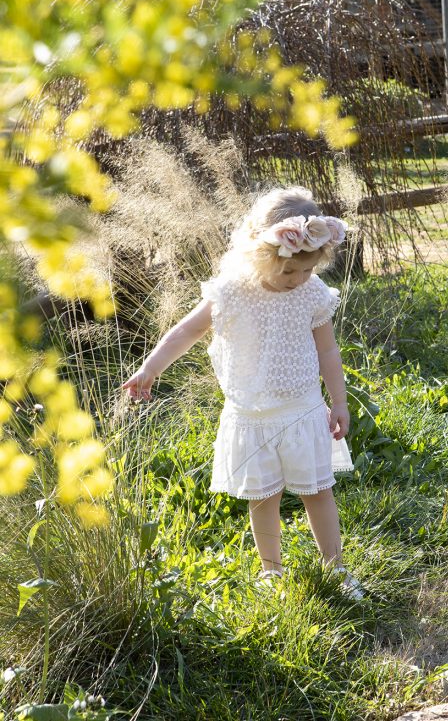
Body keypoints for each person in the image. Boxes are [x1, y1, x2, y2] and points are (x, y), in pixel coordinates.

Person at [122, 186, 364, 600]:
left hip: (302, 409)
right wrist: (150, 368)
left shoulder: (311, 293)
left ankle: (335, 568)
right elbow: (188, 330)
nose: (298, 279)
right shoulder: (231, 290)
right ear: (260, 253)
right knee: (263, 495)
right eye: (289, 272)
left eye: (307, 270)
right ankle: (272, 572)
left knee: (317, 491)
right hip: (251, 414)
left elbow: (327, 349)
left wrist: (338, 402)